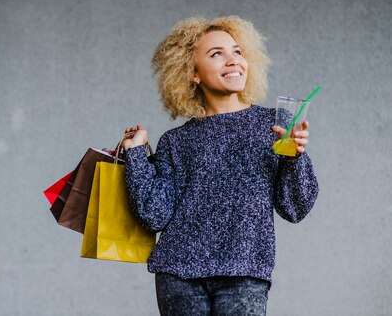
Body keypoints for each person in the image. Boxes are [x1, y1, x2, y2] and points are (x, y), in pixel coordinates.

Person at [121, 16, 318, 316]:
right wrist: (136, 154)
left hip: (245, 273)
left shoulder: (274, 126)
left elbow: (295, 208)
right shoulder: (176, 141)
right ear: (192, 72)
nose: (233, 60)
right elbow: (154, 215)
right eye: (217, 54)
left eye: (237, 52)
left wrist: (295, 157)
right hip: (178, 275)